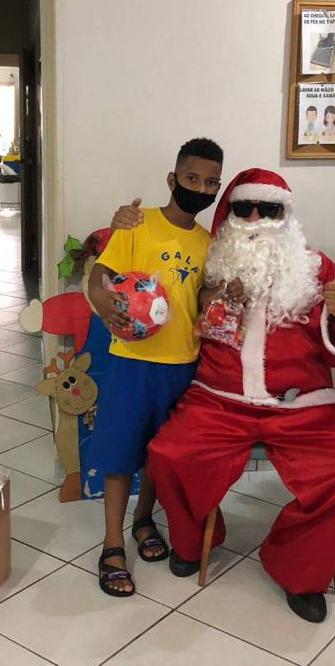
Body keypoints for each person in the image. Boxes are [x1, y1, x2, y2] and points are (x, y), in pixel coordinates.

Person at [145, 169, 335, 624]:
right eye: (243, 208)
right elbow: (151, 262)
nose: (254, 218)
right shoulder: (209, 261)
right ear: (229, 212)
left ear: (285, 215)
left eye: (268, 209)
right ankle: (193, 542)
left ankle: (299, 567)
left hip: (302, 405)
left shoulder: (317, 269)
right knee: (168, 454)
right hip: (219, 398)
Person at [86, 137, 224, 597]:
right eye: (191, 178)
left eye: (210, 183)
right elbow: (101, 275)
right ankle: (111, 545)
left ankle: (143, 520)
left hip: (182, 364)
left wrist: (222, 294)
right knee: (120, 453)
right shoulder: (137, 224)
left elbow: (201, 298)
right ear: (172, 178)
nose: (199, 188)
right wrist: (102, 300)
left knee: (158, 455)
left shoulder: (207, 243)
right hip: (132, 362)